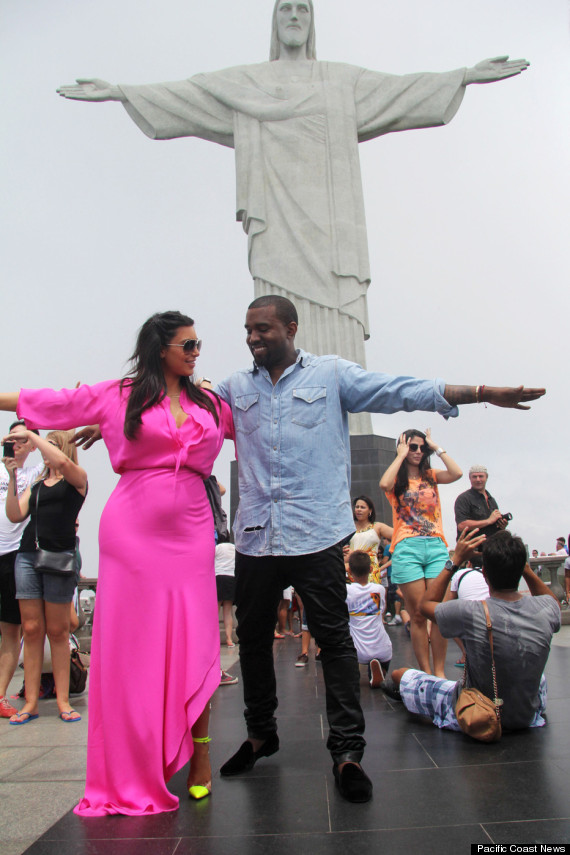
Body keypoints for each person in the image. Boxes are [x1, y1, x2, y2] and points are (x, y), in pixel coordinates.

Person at [56, 0, 530, 401]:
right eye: (286, 7)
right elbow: (188, 95)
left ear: (312, 21)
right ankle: (283, 398)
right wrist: (121, 91)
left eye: (303, 7)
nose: (295, 15)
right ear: (275, 20)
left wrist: (464, 76)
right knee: (276, 313)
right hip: (277, 227)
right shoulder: (247, 84)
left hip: (333, 228)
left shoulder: (340, 80)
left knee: (338, 329)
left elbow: (402, 89)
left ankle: (346, 410)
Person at [209, 294, 543, 804]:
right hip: (257, 537)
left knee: (337, 643)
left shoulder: (330, 375)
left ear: (291, 328)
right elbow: (180, 408)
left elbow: (399, 389)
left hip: (317, 534)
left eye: (263, 329)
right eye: (248, 330)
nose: (253, 338)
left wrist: (477, 392)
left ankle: (347, 753)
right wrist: (117, 420)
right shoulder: (235, 387)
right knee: (252, 643)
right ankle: (260, 734)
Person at [0, 311, 234, 815]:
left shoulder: (211, 401)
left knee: (196, 642)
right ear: (160, 349)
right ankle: (130, 768)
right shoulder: (118, 395)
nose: (196, 352)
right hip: (131, 533)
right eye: (187, 344)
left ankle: (199, 756)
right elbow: (47, 402)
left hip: (192, 531)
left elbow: (261, 421)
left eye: (199, 344)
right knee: (133, 653)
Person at [382, 528, 561, 733]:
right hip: (526, 712)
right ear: (521, 569)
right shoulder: (546, 609)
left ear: (484, 574)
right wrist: (525, 568)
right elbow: (553, 602)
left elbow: (425, 606)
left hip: (476, 708)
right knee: (541, 678)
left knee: (400, 674)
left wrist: (454, 560)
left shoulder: (470, 611)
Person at [4, 428, 87, 724]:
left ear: (61, 447)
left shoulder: (75, 480)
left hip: (58, 558)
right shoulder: (37, 486)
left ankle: (64, 700)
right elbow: (15, 514)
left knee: (58, 631)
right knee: (31, 628)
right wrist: (13, 477)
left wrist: (31, 434)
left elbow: (63, 465)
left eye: (49, 445)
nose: (41, 450)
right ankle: (30, 702)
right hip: (28, 556)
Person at [380, 429, 462, 677]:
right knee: (417, 614)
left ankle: (440, 672)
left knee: (438, 613)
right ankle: (426, 671)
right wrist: (400, 455)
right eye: (412, 447)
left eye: (420, 448)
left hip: (436, 546)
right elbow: (384, 483)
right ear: (403, 448)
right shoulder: (397, 480)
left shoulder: (431, 476)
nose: (417, 452)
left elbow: (457, 473)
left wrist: (436, 446)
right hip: (407, 548)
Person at [0, 422, 43, 717]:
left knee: (11, 632)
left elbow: (61, 455)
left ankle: (1, 696)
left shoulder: (35, 473)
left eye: (22, 439)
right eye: (11, 437)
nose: (15, 443)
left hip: (14, 557)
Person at [346, 551, 392, 688]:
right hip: (381, 648)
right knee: (386, 654)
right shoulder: (379, 589)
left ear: (349, 571)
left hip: (357, 650)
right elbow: (382, 609)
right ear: (371, 569)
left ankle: (353, 673)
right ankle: (380, 670)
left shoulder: (347, 590)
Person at [344, 496, 392, 585]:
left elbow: (399, 536)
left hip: (370, 570)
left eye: (362, 507)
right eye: (357, 507)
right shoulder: (348, 527)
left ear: (370, 511)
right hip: (351, 569)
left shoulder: (377, 527)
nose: (359, 509)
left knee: (372, 597)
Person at [454, 465, 508, 538]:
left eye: (481, 476)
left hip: (491, 546)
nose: (478, 480)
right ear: (469, 478)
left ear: (486, 477)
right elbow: (462, 525)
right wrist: (488, 521)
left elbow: (493, 525)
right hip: (472, 546)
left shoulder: (491, 500)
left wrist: (501, 526)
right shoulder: (463, 498)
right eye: (474, 477)